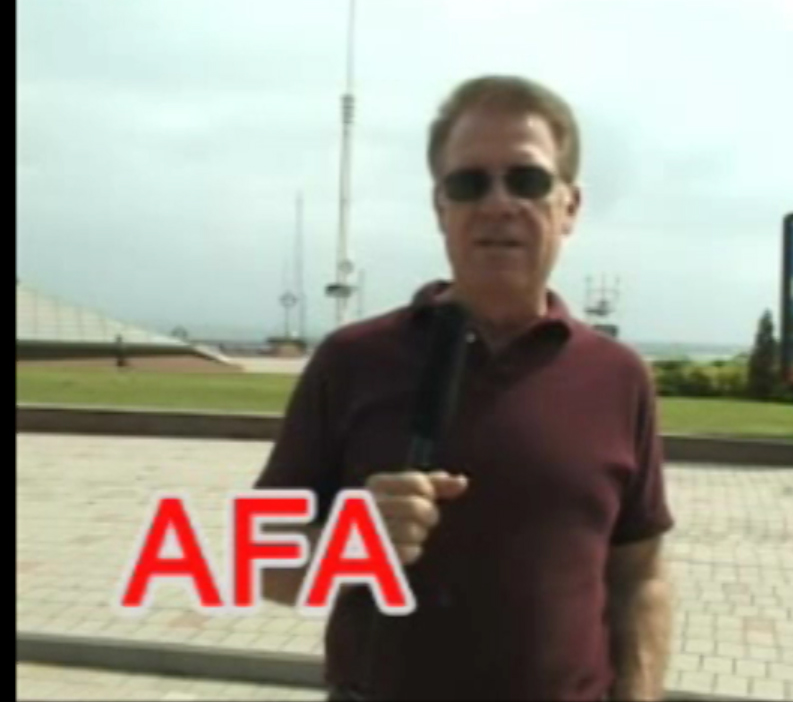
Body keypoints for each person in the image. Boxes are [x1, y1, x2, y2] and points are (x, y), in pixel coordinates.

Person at [253, 75, 675, 701]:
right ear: (440, 208)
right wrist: (351, 542)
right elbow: (265, 563)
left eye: (527, 180)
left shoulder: (618, 377)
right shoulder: (352, 360)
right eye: (469, 183)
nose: (498, 204)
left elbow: (640, 575)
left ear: (570, 206)